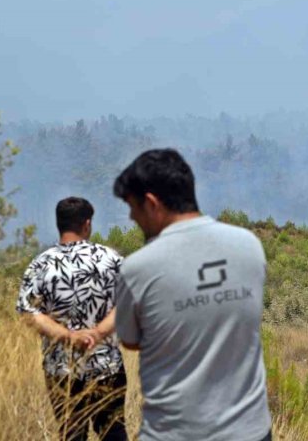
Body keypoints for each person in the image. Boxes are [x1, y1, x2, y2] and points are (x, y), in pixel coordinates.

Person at [112, 148, 272, 441]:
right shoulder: (249, 245)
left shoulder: (136, 269)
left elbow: (130, 341)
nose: (132, 217)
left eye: (132, 207)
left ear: (151, 203)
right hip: (251, 431)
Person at [16, 196, 128, 441]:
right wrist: (97, 334)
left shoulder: (41, 264)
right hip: (106, 365)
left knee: (71, 434)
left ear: (59, 224)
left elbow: (28, 312)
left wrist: (68, 336)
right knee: (114, 432)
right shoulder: (110, 259)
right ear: (87, 224)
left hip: (60, 369)